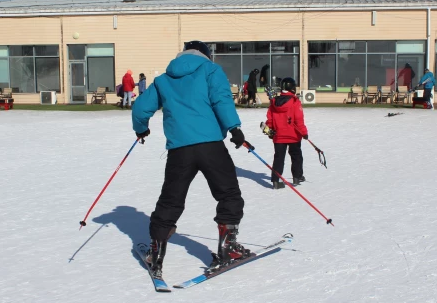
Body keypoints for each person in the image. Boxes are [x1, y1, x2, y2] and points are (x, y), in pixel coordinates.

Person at [132, 40, 251, 277]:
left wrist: (141, 128)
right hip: (210, 146)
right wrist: (234, 128)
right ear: (205, 55)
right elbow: (221, 99)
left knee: (171, 200)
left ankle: (155, 253)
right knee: (228, 193)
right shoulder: (211, 70)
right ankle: (229, 248)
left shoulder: (164, 79)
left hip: (180, 150)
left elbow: (140, 107)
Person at [264, 77, 309, 189]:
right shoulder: (295, 102)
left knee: (279, 158)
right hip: (293, 135)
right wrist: (304, 133)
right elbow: (299, 120)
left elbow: (270, 119)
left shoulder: (274, 102)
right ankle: (297, 177)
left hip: (278, 135)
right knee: (296, 156)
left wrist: (270, 130)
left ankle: (276, 180)